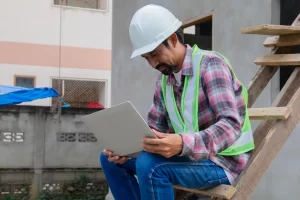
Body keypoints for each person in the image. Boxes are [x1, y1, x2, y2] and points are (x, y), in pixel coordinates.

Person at [100, 4, 254, 200]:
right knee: (109, 159)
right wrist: (127, 149)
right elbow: (154, 130)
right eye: (147, 58)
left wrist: (182, 144)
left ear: (173, 39)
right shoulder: (164, 79)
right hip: (190, 159)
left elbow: (231, 126)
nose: (153, 64)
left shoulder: (211, 65)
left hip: (223, 163)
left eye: (155, 54)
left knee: (150, 166)